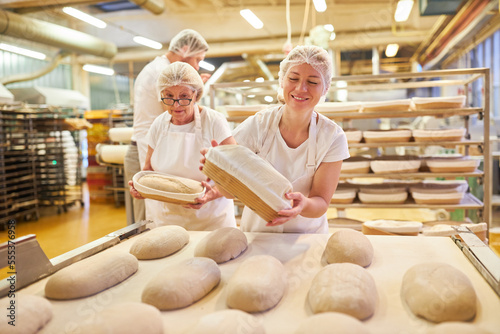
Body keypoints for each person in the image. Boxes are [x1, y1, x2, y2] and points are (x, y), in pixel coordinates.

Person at [223, 45, 349, 233]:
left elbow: (321, 202)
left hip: (307, 239)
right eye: (293, 78)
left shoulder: (332, 137)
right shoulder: (258, 126)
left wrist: (303, 205)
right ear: (282, 80)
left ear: (326, 87)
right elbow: (229, 186)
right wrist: (217, 170)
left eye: (313, 82)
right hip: (258, 234)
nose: (301, 88)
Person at [129, 61, 237, 230]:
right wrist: (141, 189)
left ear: (196, 94)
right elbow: (148, 170)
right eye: (169, 97)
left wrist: (211, 194)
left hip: (211, 221)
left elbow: (237, 172)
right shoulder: (158, 124)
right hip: (167, 222)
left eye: (184, 97)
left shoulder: (214, 121)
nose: (176, 105)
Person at [124, 29, 210, 225]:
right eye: (197, 60)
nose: (197, 66)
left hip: (149, 144)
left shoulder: (158, 67)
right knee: (149, 215)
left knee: (153, 213)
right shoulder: (162, 73)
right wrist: (195, 92)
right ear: (185, 50)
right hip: (146, 147)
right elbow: (175, 109)